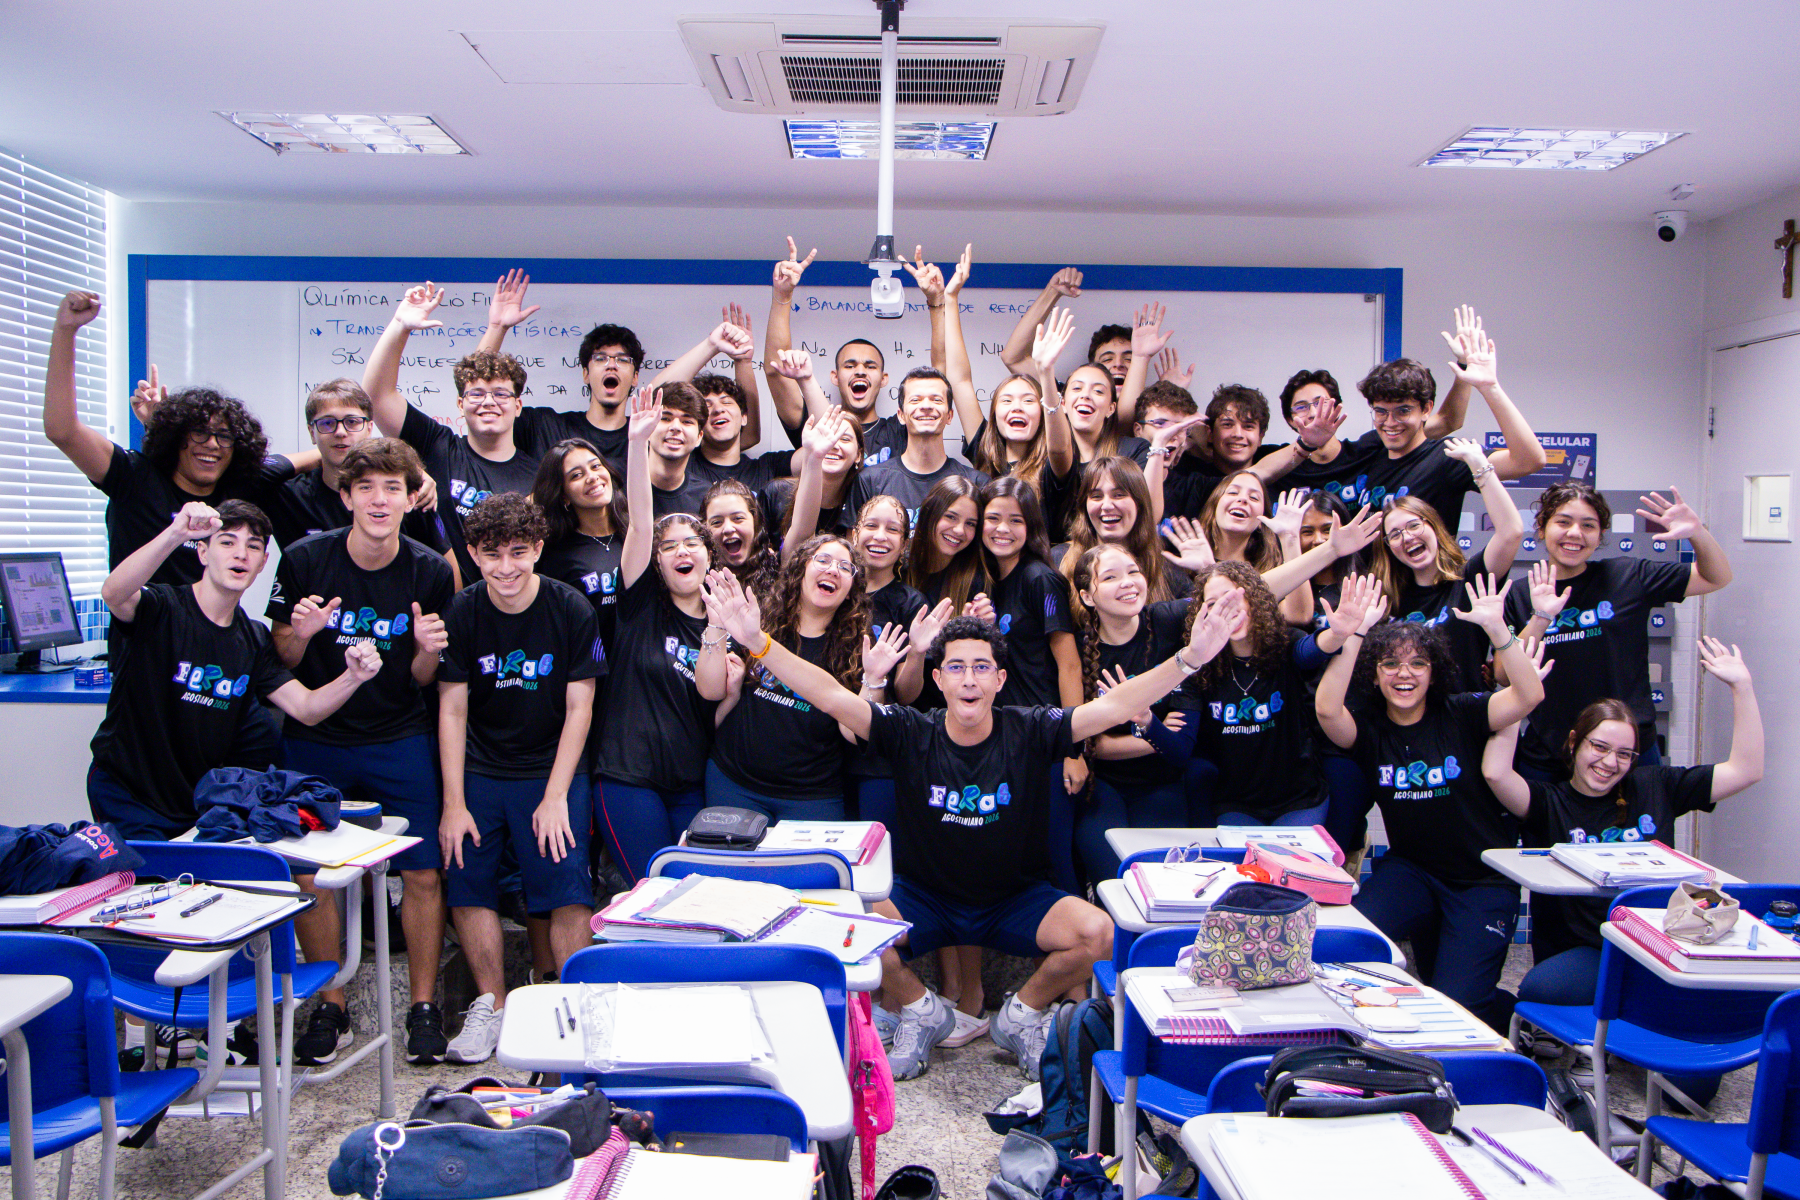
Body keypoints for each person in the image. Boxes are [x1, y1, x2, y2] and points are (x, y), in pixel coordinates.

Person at [700, 570, 1245, 1082]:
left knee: (1100, 932)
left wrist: (1190, 659)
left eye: (982, 667)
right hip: (926, 897)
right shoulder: (910, 730)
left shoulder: (1031, 728)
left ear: (1001, 680)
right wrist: (758, 643)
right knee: (845, 923)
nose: (969, 679)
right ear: (938, 679)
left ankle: (1021, 1017)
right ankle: (920, 1011)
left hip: (1014, 899)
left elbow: (1114, 707)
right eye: (956, 667)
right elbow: (830, 695)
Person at [266, 438, 457, 1066]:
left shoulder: (430, 571)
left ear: (409, 498)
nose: (379, 500)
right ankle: (332, 1006)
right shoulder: (304, 559)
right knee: (309, 873)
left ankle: (423, 1006)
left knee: (422, 872)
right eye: (366, 488)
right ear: (345, 497)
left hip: (399, 736)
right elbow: (282, 659)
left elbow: (425, 678)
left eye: (392, 488)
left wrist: (425, 649)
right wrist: (303, 634)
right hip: (315, 740)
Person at [1315, 573, 1546, 1028]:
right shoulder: (1370, 729)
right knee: (1344, 945)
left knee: (1458, 1008)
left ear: (1434, 672)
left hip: (1481, 880)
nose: (1404, 674)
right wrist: (1356, 633)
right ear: (1374, 674)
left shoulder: (1462, 712)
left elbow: (1529, 694)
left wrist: (1498, 630)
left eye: (1418, 663)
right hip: (1413, 871)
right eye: (1390, 664)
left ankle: (1513, 1014)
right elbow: (1326, 709)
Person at [1484, 638, 1763, 1012]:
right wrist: (1519, 696)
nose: (1610, 763)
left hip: (1660, 939)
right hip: (1592, 949)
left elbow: (1746, 770)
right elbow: (1496, 773)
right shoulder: (1549, 802)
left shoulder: (1656, 785)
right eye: (1599, 747)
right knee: (1542, 987)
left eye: (1624, 754)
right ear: (1574, 742)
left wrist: (1742, 686)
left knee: (1713, 1019)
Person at [88, 500, 381, 840]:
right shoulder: (163, 607)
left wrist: (353, 677)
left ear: (263, 563)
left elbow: (306, 708)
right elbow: (114, 593)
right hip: (129, 792)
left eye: (253, 547)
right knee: (152, 873)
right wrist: (175, 533)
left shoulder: (254, 638)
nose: (240, 554)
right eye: (227, 542)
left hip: (192, 799)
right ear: (202, 552)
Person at [437, 493, 603, 1064]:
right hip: (481, 769)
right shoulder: (462, 611)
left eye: (517, 552)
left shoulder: (570, 607)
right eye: (491, 554)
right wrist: (454, 802)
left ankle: (570, 1010)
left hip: (551, 767)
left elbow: (580, 707)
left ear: (537, 548)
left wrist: (556, 796)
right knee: (467, 879)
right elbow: (452, 709)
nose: (505, 567)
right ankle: (493, 1006)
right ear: (473, 555)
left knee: (567, 888)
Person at [42, 292, 311, 590]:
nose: (212, 444)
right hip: (141, 618)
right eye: (199, 432)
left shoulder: (239, 486)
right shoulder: (134, 478)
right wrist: (66, 329)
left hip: (216, 621)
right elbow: (62, 431)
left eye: (224, 436)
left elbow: (316, 455)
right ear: (175, 436)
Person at [1508, 481, 1732, 776]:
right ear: (1541, 528)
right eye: (1563, 522)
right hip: (1551, 754)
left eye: (1588, 525)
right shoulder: (1520, 593)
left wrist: (1697, 533)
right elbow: (1503, 674)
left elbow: (1716, 577)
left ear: (1600, 535)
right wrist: (1540, 617)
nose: (1575, 533)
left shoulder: (1629, 575)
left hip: (1629, 750)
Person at [591, 389, 719, 882]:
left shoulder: (724, 621)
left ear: (709, 555)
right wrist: (636, 443)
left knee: (697, 892)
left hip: (692, 784)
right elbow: (642, 525)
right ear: (657, 561)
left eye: (692, 543)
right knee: (650, 891)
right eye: (670, 547)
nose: (681, 551)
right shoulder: (640, 603)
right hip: (628, 778)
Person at [364, 284, 559, 583]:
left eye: (500, 394)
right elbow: (376, 398)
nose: (489, 402)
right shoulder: (438, 447)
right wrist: (400, 326)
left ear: (518, 406)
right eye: (476, 394)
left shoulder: (538, 476)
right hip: (439, 604)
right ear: (460, 404)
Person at [697, 542, 891, 818]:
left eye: (845, 567)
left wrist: (873, 678)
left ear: (851, 589)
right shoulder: (760, 620)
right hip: (734, 781)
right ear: (800, 569)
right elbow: (709, 690)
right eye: (823, 560)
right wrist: (716, 624)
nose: (833, 570)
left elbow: (852, 733)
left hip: (811, 796)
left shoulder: (858, 647)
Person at [1185, 561, 1361, 828]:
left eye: (1232, 597)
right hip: (1236, 802)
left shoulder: (1285, 643)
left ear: (1254, 599)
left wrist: (1337, 635)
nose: (1225, 608)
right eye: (1212, 603)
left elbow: (1310, 650)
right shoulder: (1201, 664)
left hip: (1299, 798)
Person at [1069, 544, 1199, 882]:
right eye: (1110, 577)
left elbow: (1179, 749)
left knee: (1163, 880)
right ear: (1087, 596)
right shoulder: (1078, 649)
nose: (1127, 582)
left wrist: (1145, 723)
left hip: (1162, 780)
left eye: (1133, 572)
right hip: (1103, 783)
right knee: (1113, 880)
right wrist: (1152, 734)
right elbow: (1093, 745)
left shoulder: (1167, 620)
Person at [1352, 315, 1546, 530]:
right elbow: (1447, 420)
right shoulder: (1371, 450)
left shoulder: (1448, 457)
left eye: (1403, 411)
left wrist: (1489, 387)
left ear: (1426, 409)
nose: (1390, 422)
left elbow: (1528, 461)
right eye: (1380, 412)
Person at [1370, 439, 1523, 690]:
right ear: (1388, 547)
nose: (1407, 537)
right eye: (1395, 534)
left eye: (1414, 525)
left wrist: (1479, 466)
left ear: (1435, 527)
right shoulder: (1384, 599)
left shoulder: (1471, 580)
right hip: (1402, 711)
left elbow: (1511, 532)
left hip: (1462, 710)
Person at [266, 378, 452, 567]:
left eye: (352, 422)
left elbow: (447, 572)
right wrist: (318, 457)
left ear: (369, 428)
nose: (340, 432)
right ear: (312, 432)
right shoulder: (288, 495)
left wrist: (408, 470)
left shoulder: (405, 493)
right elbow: (254, 468)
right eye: (327, 423)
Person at [763, 237, 908, 463]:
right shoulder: (817, 425)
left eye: (870, 366)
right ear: (835, 377)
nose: (860, 371)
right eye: (849, 365)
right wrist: (783, 295)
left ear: (883, 379)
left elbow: (942, 382)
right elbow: (776, 370)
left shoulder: (898, 431)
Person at [848, 367, 988, 527]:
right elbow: (854, 541)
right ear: (901, 415)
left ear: (949, 416)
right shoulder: (869, 481)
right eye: (915, 400)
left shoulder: (976, 483)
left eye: (936, 400)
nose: (926, 406)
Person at [531, 440, 629, 661]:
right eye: (576, 475)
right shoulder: (554, 555)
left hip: (641, 669)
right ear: (563, 495)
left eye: (596, 466)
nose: (592, 477)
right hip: (592, 670)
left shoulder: (636, 534)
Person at [1056, 456, 1182, 601]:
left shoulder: (1164, 569)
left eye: (1119, 495)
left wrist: (1202, 568)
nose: (1107, 506)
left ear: (1139, 504)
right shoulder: (1059, 561)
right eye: (1096, 496)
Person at [903, 476, 983, 614]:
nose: (959, 530)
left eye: (970, 524)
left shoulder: (975, 582)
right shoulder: (900, 567)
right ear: (929, 514)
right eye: (951, 517)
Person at [701, 479, 780, 598]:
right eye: (716, 522)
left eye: (738, 518)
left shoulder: (779, 568)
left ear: (755, 521)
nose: (728, 529)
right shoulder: (699, 581)